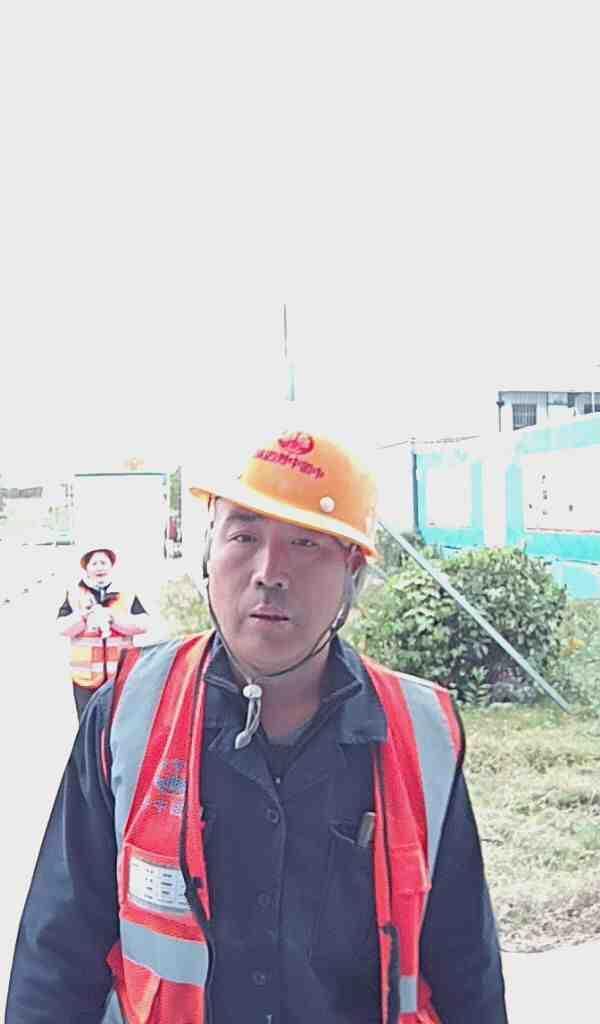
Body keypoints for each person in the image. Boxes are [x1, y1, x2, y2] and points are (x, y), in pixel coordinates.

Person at [6, 427, 508, 1023]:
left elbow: (466, 970)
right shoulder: (127, 716)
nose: (270, 571)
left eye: (306, 542)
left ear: (352, 571)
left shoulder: (422, 737)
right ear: (209, 554)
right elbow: (56, 956)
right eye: (244, 536)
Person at [57, 545, 150, 719]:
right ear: (86, 568)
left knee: (118, 724)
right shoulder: (74, 594)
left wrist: (114, 619)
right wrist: (83, 617)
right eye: (94, 563)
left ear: (111, 566)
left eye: (103, 563)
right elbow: (62, 628)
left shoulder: (126, 593)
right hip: (85, 679)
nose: (99, 567)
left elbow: (144, 624)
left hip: (119, 677)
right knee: (88, 725)